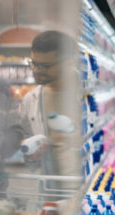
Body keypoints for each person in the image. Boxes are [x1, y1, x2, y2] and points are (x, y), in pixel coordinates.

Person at [20, 30, 81, 194]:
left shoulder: (88, 94)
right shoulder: (30, 100)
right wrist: (31, 155)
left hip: (87, 187)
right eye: (33, 63)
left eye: (45, 66)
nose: (36, 70)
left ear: (68, 62)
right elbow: (25, 142)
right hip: (49, 190)